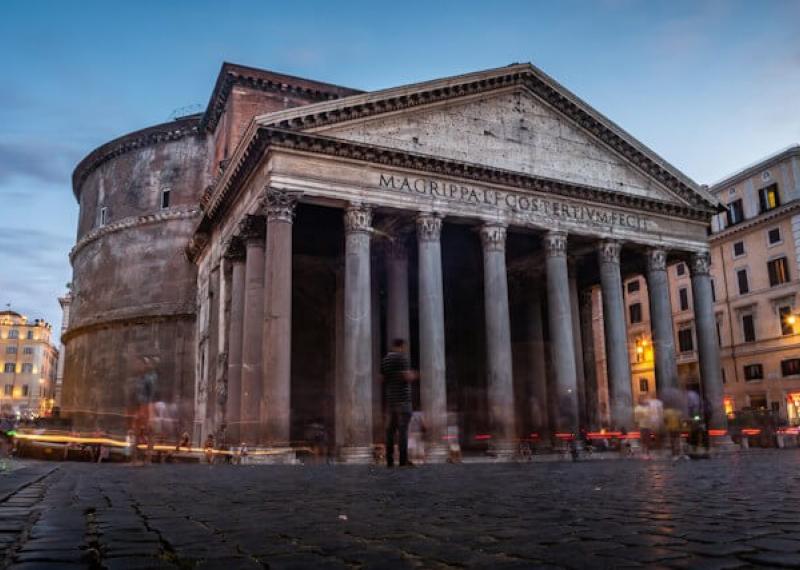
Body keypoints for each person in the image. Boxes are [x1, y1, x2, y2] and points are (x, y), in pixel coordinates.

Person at [381, 338, 417, 467]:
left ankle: (389, 461)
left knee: (390, 431)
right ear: (401, 346)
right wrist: (413, 375)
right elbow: (406, 376)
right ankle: (402, 461)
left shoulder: (385, 360)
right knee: (403, 431)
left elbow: (382, 379)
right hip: (403, 400)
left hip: (391, 400)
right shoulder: (402, 359)